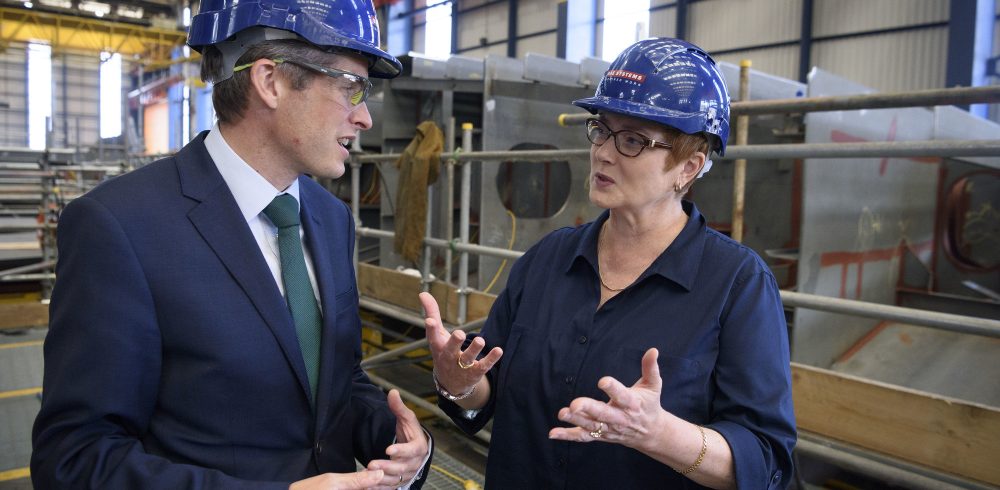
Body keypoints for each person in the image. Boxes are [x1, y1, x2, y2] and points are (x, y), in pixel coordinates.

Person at [31, 1, 431, 488]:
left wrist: (399, 442)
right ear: (271, 82)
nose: (365, 117)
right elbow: (75, 457)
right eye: (351, 87)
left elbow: (338, 381)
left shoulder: (331, 219)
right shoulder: (119, 227)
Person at [421, 38, 796, 489]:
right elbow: (490, 389)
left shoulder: (738, 285)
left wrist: (660, 435)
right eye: (601, 129)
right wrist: (457, 382)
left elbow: (766, 458)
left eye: (633, 140)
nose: (603, 151)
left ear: (689, 167)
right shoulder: (548, 260)